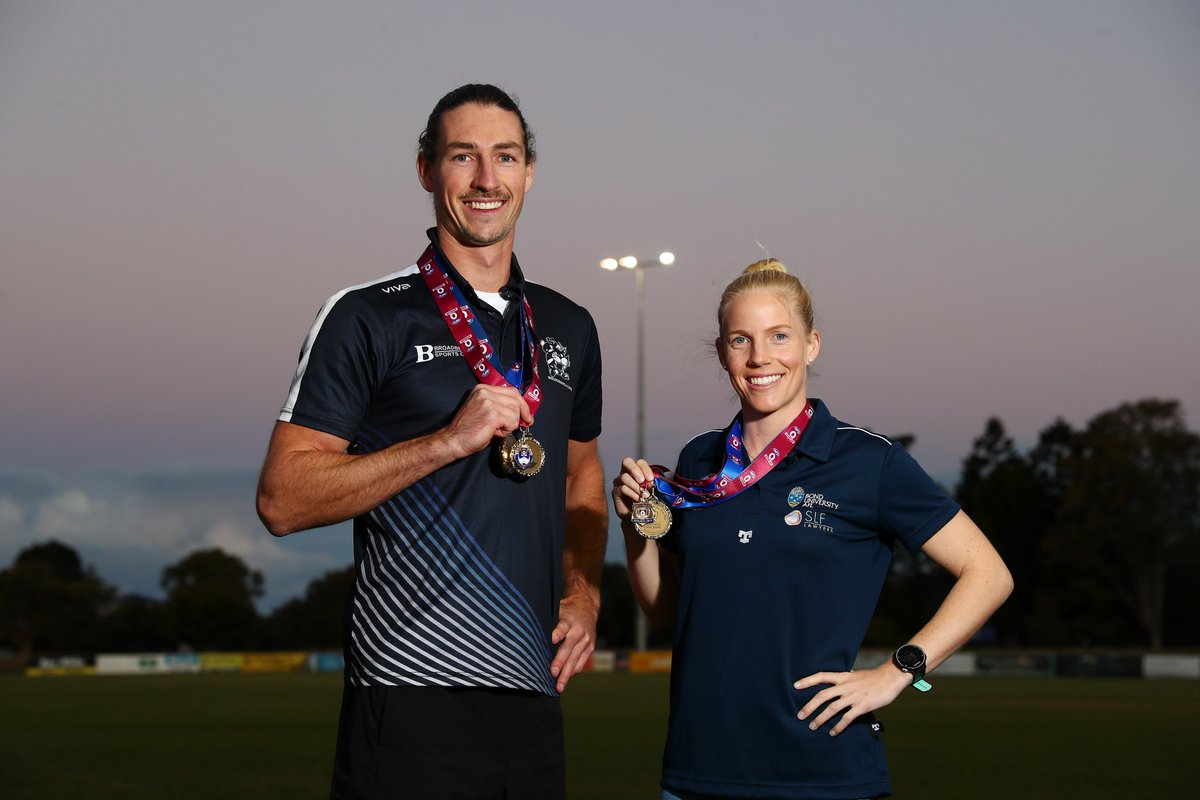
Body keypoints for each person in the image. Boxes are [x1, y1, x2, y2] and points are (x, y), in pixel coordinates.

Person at [257, 84, 607, 800]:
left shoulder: (569, 325)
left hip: (532, 693)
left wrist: (584, 592)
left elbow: (582, 475)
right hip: (408, 689)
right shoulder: (366, 317)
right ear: (426, 170)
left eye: (504, 157)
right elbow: (283, 499)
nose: (486, 179)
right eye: (462, 156)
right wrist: (445, 442)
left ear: (529, 173)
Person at [613, 258, 1012, 800]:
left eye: (779, 336)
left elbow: (988, 574)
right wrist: (636, 530)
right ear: (722, 352)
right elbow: (668, 613)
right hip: (697, 769)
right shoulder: (698, 459)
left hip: (823, 773)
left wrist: (898, 672)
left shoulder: (868, 462)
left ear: (811, 345)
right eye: (741, 340)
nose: (760, 357)